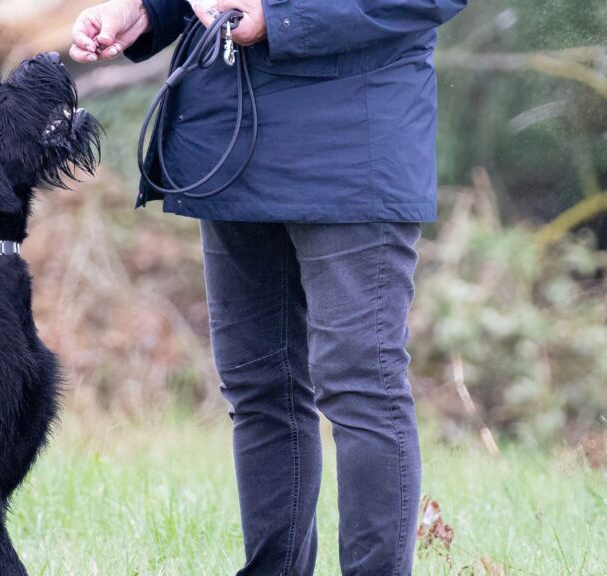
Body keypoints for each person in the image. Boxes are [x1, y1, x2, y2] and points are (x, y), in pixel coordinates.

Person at [70, 0, 466, 575]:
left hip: (354, 145)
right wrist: (145, 12)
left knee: (361, 387)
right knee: (259, 387)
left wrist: (280, 17)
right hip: (233, 141)